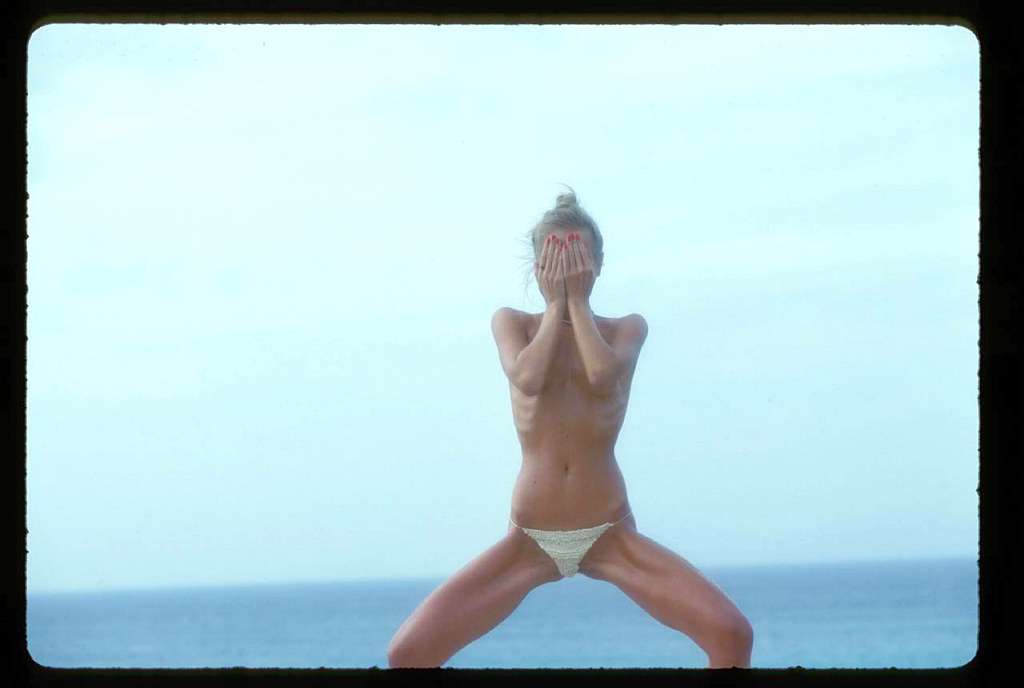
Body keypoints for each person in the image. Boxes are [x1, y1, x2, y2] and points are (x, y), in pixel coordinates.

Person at [386, 187, 753, 669]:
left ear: (597, 263)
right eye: (555, 259)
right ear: (537, 266)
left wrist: (575, 302)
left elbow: (602, 377)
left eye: (576, 258)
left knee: (732, 635)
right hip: (529, 538)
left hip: (610, 532)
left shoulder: (626, 329)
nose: (566, 270)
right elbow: (528, 378)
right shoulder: (512, 323)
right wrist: (557, 306)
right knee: (408, 653)